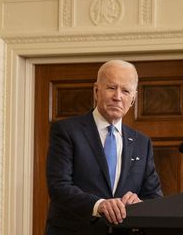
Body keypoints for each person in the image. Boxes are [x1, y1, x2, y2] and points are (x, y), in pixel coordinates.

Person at [45, 60, 163, 235]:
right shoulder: (67, 131)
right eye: (111, 88)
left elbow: (154, 197)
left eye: (125, 91)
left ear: (133, 98)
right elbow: (59, 186)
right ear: (96, 90)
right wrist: (99, 205)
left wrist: (140, 204)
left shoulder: (142, 143)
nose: (117, 96)